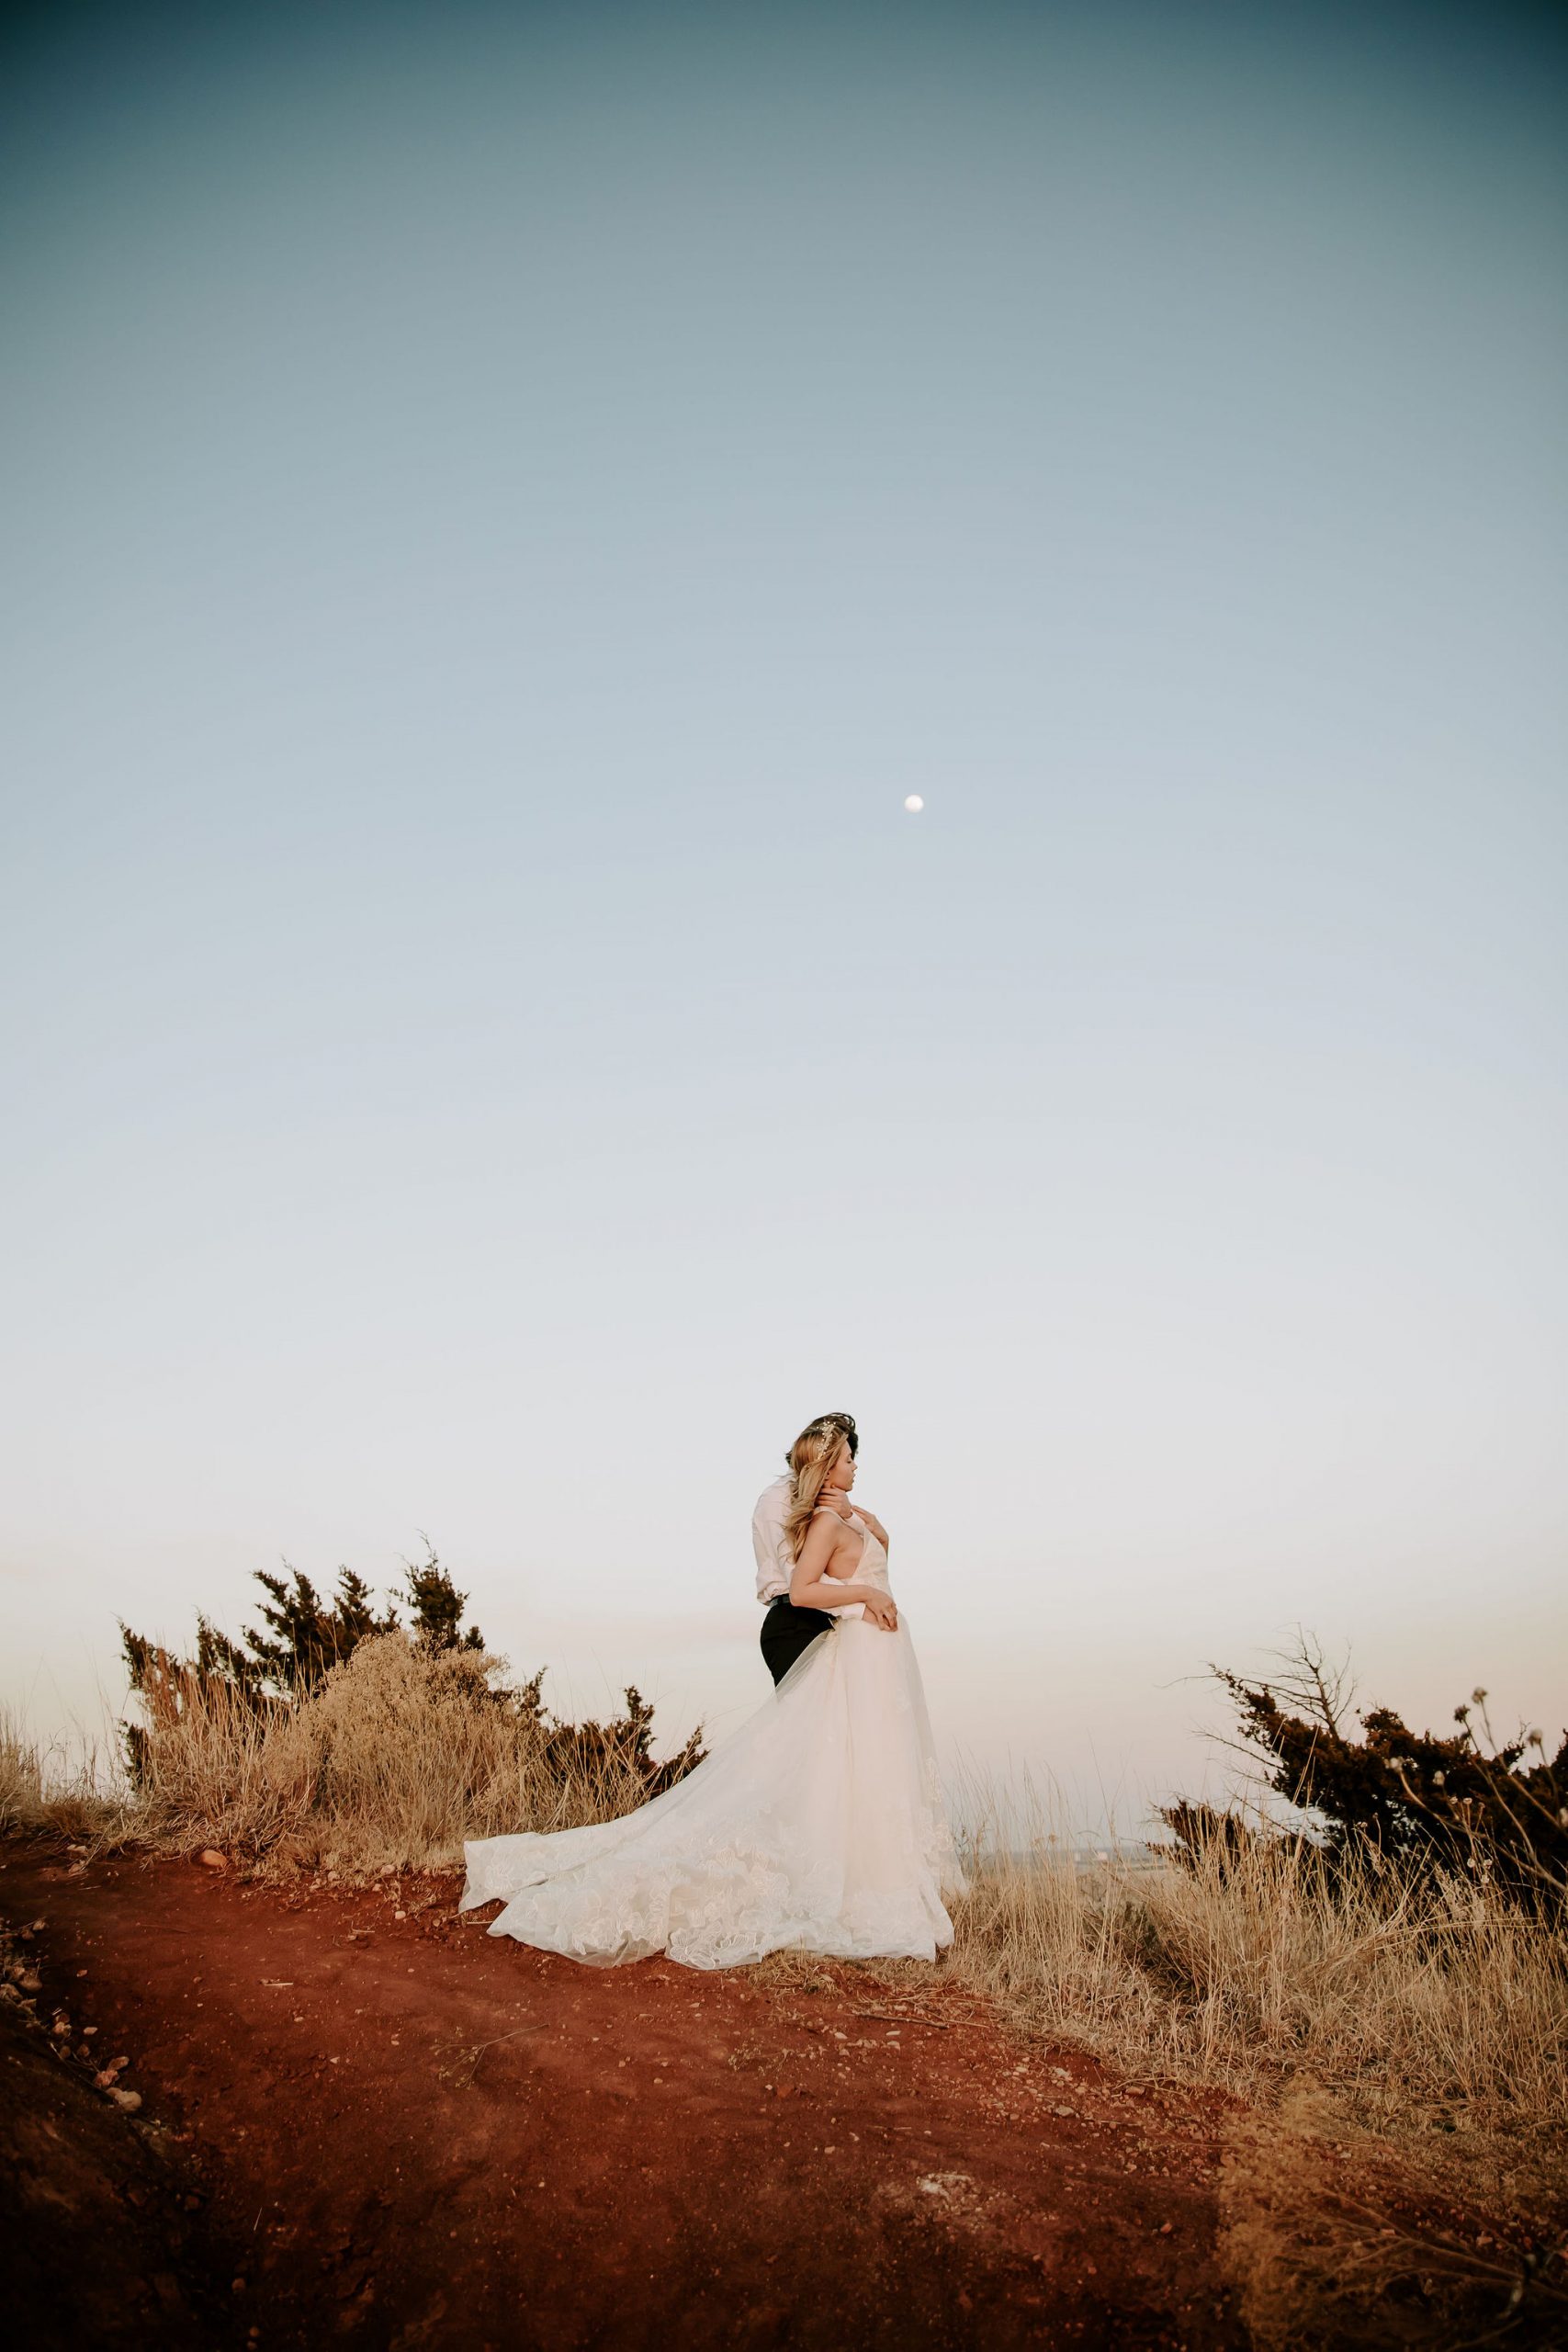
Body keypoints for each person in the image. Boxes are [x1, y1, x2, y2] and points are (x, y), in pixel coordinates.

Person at [459, 1416, 962, 1968]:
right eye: (847, 1456)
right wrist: (862, 1589)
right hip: (824, 1636)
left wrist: (869, 1532)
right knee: (811, 1760)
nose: (857, 1464)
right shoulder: (801, 1511)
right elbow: (799, 1587)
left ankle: (872, 1866)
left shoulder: (847, 1512)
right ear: (822, 1463)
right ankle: (800, 1866)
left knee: (865, 1762)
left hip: (873, 1653)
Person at [753, 1410, 898, 1683]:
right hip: (795, 1622)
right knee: (810, 1722)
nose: (853, 1465)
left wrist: (860, 1524)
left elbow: (861, 1570)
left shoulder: (832, 1508)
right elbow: (797, 1581)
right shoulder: (777, 1499)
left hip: (829, 1618)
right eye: (846, 1457)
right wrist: (864, 1605)